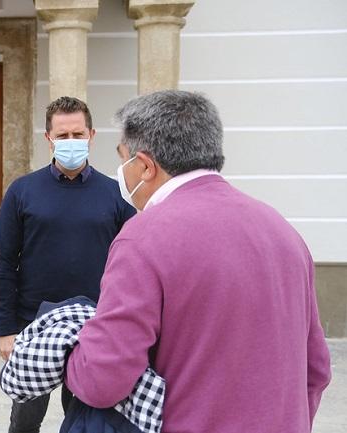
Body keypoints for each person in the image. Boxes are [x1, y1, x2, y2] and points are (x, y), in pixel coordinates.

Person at [65, 90, 332, 432]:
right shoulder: (282, 231)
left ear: (144, 165)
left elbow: (103, 378)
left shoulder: (143, 237)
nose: (122, 172)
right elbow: (317, 367)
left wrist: (70, 359)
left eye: (122, 158)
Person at [0, 96, 136, 433]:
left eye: (77, 134)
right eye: (62, 136)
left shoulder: (117, 194)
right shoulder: (22, 191)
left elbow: (132, 266)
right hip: (33, 327)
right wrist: (5, 329)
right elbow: (3, 264)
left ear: (91, 135)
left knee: (84, 421)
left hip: (93, 328)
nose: (71, 142)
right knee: (25, 422)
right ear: (48, 139)